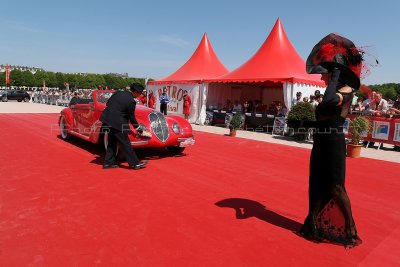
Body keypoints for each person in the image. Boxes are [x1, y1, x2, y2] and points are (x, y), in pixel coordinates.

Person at [300, 33, 364, 248]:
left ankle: (351, 230)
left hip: (333, 142)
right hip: (320, 143)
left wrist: (335, 75)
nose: (321, 78)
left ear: (335, 73)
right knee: (317, 184)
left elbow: (328, 100)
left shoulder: (345, 91)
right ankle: (313, 224)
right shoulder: (335, 87)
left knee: (336, 187)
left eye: (324, 74)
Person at [100, 83, 148, 170]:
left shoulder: (118, 93)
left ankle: (108, 163)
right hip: (117, 123)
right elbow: (131, 117)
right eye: (140, 93)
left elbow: (108, 104)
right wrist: (138, 129)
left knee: (112, 142)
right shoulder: (131, 101)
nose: (139, 95)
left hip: (106, 120)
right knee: (126, 143)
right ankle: (135, 164)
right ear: (136, 92)